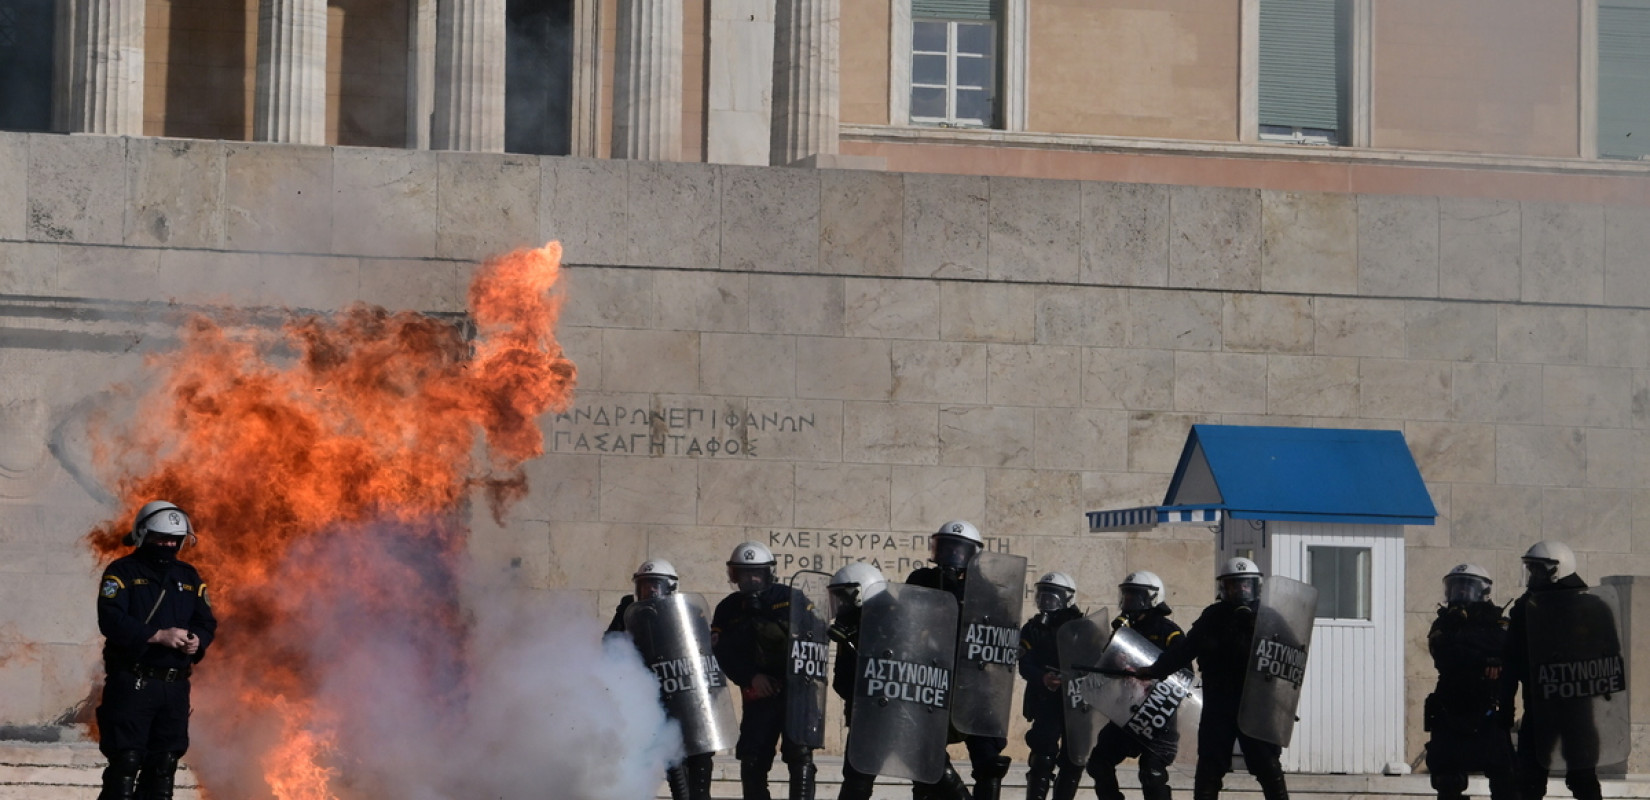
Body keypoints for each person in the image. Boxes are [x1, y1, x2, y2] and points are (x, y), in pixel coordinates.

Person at [1137, 557, 1288, 800]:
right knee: (1210, 766)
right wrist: (1155, 670)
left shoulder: (1271, 619)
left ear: (1256, 587)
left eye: (1245, 584)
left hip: (1257, 703)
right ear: (1223, 588)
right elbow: (1185, 650)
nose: (1240, 590)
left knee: (1266, 764)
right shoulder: (1213, 617)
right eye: (1233, 585)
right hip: (1219, 701)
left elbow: (1290, 657)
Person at [95, 501, 217, 800]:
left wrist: (197, 640)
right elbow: (110, 619)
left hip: (174, 686)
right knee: (126, 764)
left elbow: (206, 621)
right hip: (133, 682)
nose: (167, 545)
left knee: (163, 768)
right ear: (142, 535)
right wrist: (158, 635)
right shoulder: (121, 572)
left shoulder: (188, 576)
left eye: (174, 540)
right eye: (160, 538)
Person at [1502, 541, 1618, 800]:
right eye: (1530, 570)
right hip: (1539, 704)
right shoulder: (1525, 609)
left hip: (1577, 705)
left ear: (1556, 570)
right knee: (1528, 781)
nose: (1532, 577)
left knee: (1583, 780)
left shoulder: (1593, 608)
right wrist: (1505, 708)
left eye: (1537, 570)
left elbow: (1610, 656)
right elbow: (1511, 661)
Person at [907, 519, 1006, 800]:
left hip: (972, 681)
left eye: (959, 550)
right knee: (924, 758)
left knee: (990, 760)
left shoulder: (986, 590)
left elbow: (999, 632)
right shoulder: (921, 580)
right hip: (929, 679)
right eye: (946, 548)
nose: (952, 557)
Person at [712, 542, 817, 800]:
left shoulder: (791, 598)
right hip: (759, 694)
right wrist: (751, 678)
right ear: (734, 575)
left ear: (768, 573)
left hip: (796, 693)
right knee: (752, 759)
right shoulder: (728, 608)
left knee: (800, 756)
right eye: (744, 573)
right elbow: (722, 652)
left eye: (756, 572)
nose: (751, 578)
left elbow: (815, 638)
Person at [606, 560, 715, 800]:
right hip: (653, 697)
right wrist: (625, 619)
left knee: (700, 758)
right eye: (645, 585)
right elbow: (610, 647)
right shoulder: (628, 613)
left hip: (687, 695)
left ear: (671, 587)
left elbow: (704, 650)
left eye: (656, 585)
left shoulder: (688, 612)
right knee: (672, 759)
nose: (651, 590)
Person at [1423, 563, 1515, 800]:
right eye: (1456, 587)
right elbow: (1445, 655)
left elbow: (1506, 649)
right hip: (1449, 710)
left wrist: (1485, 652)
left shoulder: (1498, 622)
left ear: (1482, 591)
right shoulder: (1443, 624)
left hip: (1487, 710)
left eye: (1467, 587)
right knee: (1447, 781)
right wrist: (1484, 656)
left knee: (1506, 780)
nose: (1461, 592)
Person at [1089, 571, 1183, 800]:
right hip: (1128, 712)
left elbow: (1184, 672)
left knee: (1152, 773)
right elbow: (1105, 667)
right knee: (1098, 763)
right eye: (1127, 595)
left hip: (1158, 714)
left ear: (1152, 598)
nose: (1129, 601)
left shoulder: (1169, 632)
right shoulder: (1124, 632)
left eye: (1135, 596)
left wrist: (1150, 673)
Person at [1017, 572, 1084, 800]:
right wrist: (1042, 678)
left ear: (1067, 598)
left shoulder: (1083, 628)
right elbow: (1025, 663)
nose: (1046, 601)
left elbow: (1098, 661)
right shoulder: (1033, 629)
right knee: (1042, 754)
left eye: (1053, 596)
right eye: (1043, 595)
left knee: (1073, 758)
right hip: (1046, 699)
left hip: (1077, 703)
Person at [826, 562, 890, 800]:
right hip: (864, 713)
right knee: (856, 776)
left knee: (931, 773)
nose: (840, 605)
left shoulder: (891, 623)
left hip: (897, 713)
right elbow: (841, 680)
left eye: (844, 598)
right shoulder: (848, 629)